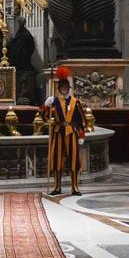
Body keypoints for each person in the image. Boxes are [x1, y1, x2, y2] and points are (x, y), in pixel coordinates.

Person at [43, 66, 86, 196]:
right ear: (59, 89)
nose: (63, 89)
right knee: (56, 160)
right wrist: (46, 106)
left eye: (65, 87)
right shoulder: (54, 101)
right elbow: (45, 117)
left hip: (72, 133)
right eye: (61, 87)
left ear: (68, 88)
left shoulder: (75, 102)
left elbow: (81, 120)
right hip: (58, 132)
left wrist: (82, 136)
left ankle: (74, 187)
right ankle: (57, 186)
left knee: (74, 160)